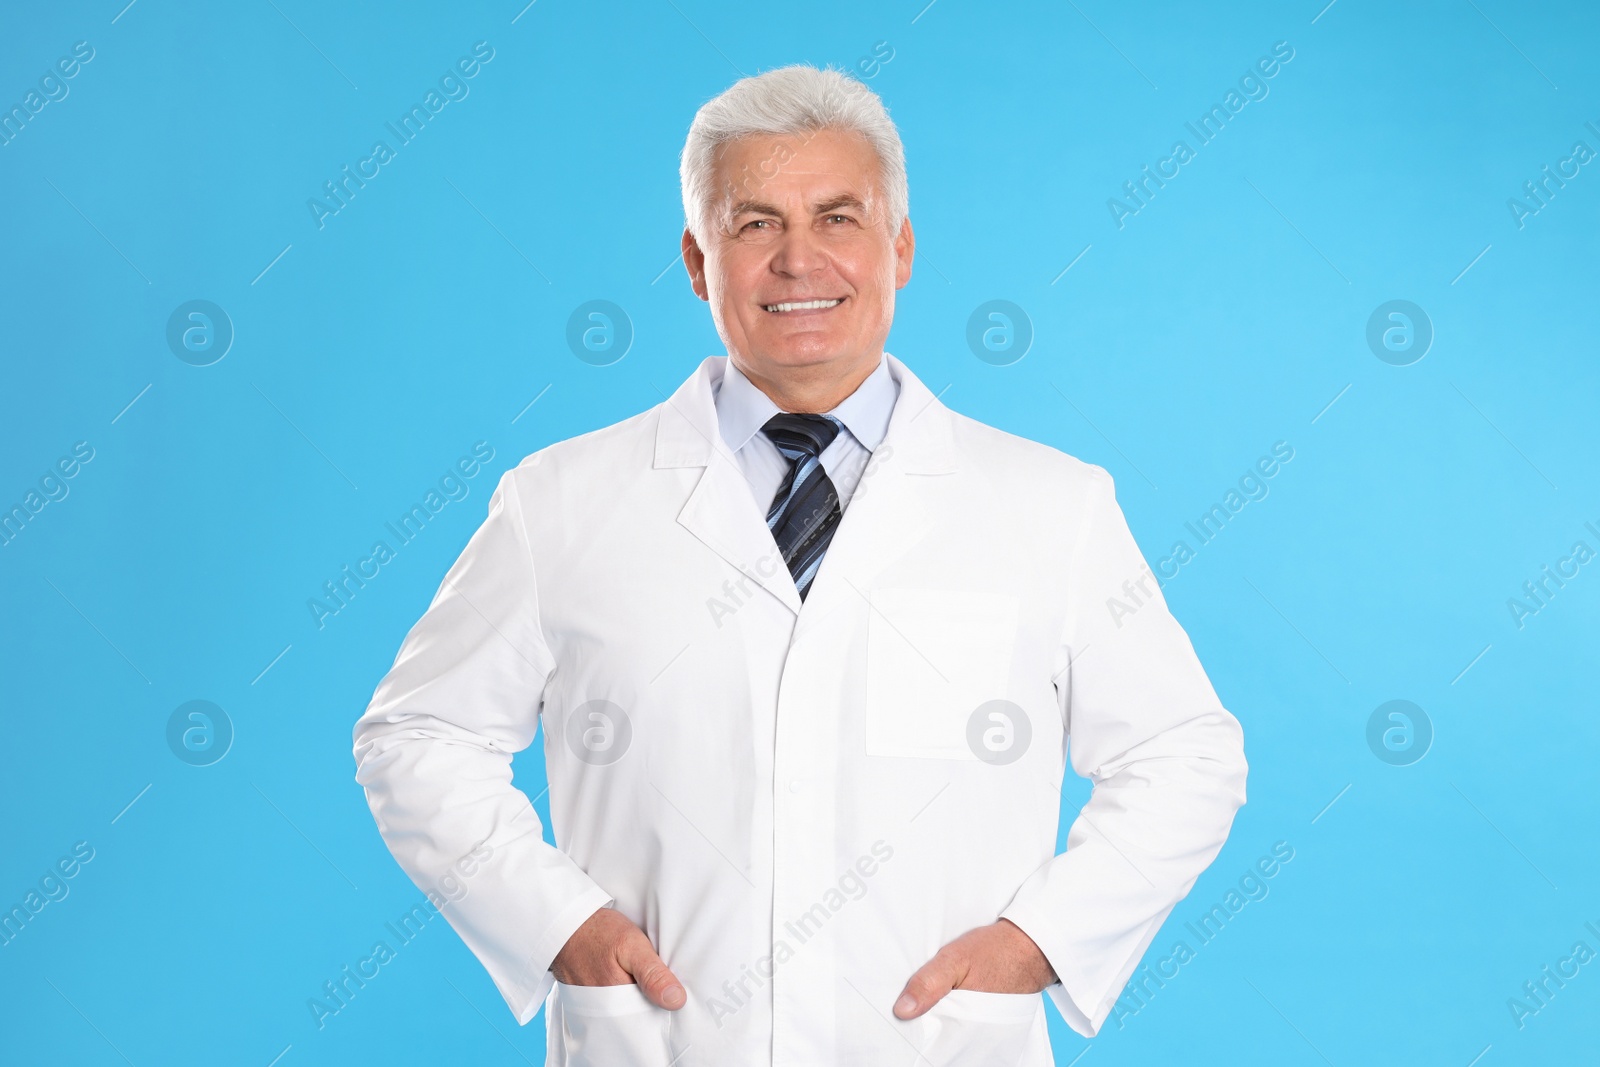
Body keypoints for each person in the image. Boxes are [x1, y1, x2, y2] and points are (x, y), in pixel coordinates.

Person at [353, 63, 1247, 1066]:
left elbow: (1184, 753)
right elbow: (419, 732)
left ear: (899, 247)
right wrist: (561, 926)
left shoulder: (1051, 504)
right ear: (697, 261)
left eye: (837, 218)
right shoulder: (561, 499)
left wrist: (1038, 943)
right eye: (753, 225)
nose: (798, 260)